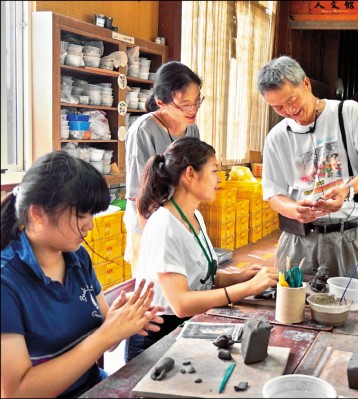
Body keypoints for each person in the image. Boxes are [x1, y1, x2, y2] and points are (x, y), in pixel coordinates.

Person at [1, 151, 163, 398]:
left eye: (92, 214)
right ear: (37, 213)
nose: (90, 225)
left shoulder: (76, 257)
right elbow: (17, 392)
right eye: (81, 215)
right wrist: (107, 333)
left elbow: (106, 343)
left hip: (94, 388)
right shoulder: (7, 281)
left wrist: (122, 324)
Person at [126, 137, 278, 362]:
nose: (219, 178)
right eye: (214, 170)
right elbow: (181, 303)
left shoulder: (194, 215)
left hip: (188, 325)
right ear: (190, 174)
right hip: (156, 338)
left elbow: (200, 277)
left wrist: (237, 277)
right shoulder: (164, 225)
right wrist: (247, 288)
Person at [256, 56, 358, 290]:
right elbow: (273, 194)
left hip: (347, 236)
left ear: (306, 84)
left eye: (292, 99)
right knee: (291, 306)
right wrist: (294, 210)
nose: (289, 110)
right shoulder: (277, 137)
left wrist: (347, 190)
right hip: (298, 240)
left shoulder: (347, 113)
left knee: (350, 307)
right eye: (278, 107)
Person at [124, 61, 203, 278]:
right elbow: (138, 196)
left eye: (197, 102)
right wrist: (154, 240)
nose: (193, 110)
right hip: (148, 224)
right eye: (185, 104)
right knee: (151, 288)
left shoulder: (192, 128)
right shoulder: (142, 131)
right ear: (161, 102)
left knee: (183, 283)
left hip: (179, 220)